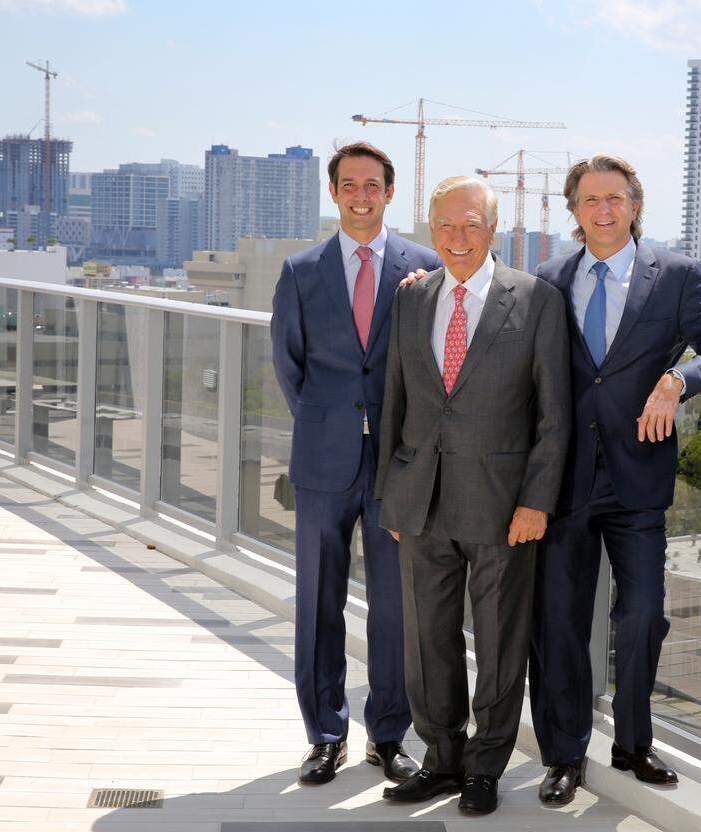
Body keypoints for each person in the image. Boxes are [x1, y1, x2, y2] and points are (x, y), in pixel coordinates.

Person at [528, 154, 701, 804]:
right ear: (574, 210)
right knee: (561, 623)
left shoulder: (675, 276)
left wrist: (678, 379)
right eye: (590, 199)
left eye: (615, 198)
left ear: (635, 204)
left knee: (644, 613)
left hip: (638, 479)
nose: (604, 210)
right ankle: (564, 755)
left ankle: (632, 742)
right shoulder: (547, 279)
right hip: (562, 481)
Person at [375, 176, 571, 815]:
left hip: (503, 504)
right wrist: (391, 495)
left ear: (494, 229)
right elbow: (395, 399)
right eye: (445, 225)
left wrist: (536, 501)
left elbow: (554, 415)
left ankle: (486, 766)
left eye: (471, 225)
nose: (457, 237)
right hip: (420, 500)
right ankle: (441, 759)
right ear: (431, 228)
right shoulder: (411, 297)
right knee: (426, 639)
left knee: (498, 642)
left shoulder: (536, 300)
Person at [270, 142, 441, 787]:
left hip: (399, 461)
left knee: (396, 605)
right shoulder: (300, 270)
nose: (361, 196)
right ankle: (325, 735)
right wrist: (329, 421)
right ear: (334, 192)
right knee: (319, 599)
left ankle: (389, 735)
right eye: (349, 185)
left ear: (390, 193)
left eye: (373, 185)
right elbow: (290, 365)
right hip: (323, 460)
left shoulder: (424, 267)